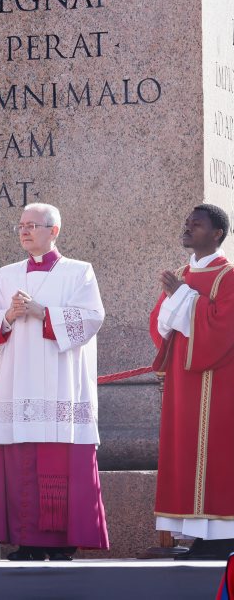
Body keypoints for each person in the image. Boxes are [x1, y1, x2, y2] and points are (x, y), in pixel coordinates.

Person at [0, 203, 109, 561]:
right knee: (21, 462)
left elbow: (92, 318)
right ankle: (26, 542)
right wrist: (7, 315)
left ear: (54, 231)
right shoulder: (7, 274)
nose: (25, 230)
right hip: (16, 381)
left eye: (33, 225)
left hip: (62, 382)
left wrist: (42, 313)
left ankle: (62, 544)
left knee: (59, 462)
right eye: (21, 225)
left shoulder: (79, 272)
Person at [152, 204, 234, 560]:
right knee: (185, 452)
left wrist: (182, 296)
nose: (187, 228)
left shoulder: (229, 276)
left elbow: (223, 327)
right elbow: (160, 324)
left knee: (217, 454)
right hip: (183, 382)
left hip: (220, 381)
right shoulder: (181, 274)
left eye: (196, 224)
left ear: (217, 233)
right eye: (186, 223)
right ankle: (200, 537)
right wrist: (178, 297)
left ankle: (224, 538)